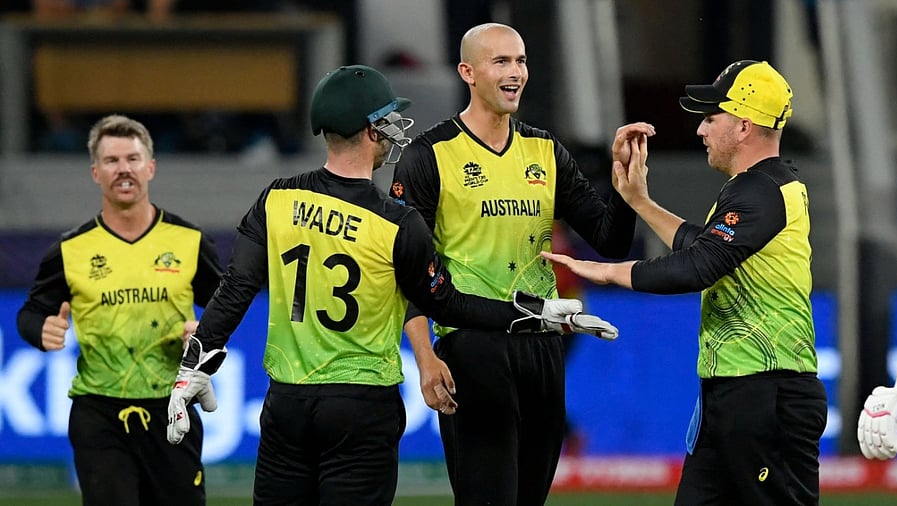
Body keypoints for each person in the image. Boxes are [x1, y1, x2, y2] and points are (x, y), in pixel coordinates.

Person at [163, 64, 616, 505]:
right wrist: (535, 314)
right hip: (362, 406)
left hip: (286, 405)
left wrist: (194, 365)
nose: (395, 128)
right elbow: (450, 305)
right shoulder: (398, 223)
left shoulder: (276, 198)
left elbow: (236, 288)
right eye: (387, 119)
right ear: (371, 130)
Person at [543, 60, 828, 505]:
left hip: (767, 394)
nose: (700, 129)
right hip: (735, 392)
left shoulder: (759, 190)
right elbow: (706, 246)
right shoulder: (762, 189)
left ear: (743, 126)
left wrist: (606, 272)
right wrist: (639, 201)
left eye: (712, 117)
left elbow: (697, 267)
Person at [389, 22, 651, 505]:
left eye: (522, 61)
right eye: (502, 62)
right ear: (468, 72)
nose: (516, 73)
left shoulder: (545, 150)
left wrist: (625, 187)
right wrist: (425, 357)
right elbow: (409, 273)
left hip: (542, 345)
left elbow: (610, 240)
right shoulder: (428, 156)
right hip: (471, 347)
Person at [16, 114, 223, 505]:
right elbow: (29, 313)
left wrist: (205, 330)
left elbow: (226, 305)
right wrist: (39, 330)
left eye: (132, 158)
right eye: (111, 161)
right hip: (99, 413)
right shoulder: (70, 250)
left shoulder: (189, 240)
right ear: (95, 172)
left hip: (172, 408)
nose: (123, 169)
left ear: (151, 167)